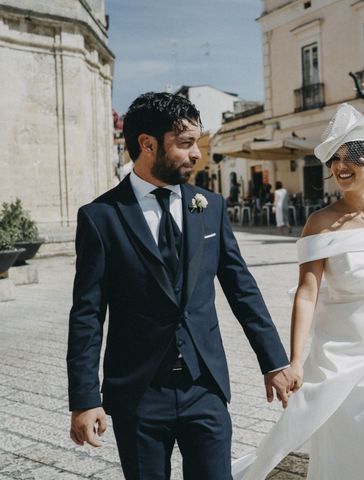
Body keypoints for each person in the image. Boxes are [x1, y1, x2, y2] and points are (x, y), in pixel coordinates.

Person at [66, 92, 296, 480]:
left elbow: (243, 289)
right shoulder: (101, 218)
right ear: (147, 143)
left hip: (204, 386)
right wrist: (85, 400)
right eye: (185, 144)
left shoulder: (211, 207)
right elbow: (87, 315)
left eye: (196, 143)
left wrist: (274, 361)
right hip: (138, 394)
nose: (196, 155)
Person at [232, 103, 364, 479]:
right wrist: (295, 360)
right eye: (336, 159)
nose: (341, 167)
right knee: (351, 446)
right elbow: (306, 294)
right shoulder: (320, 223)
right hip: (343, 353)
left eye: (351, 158)